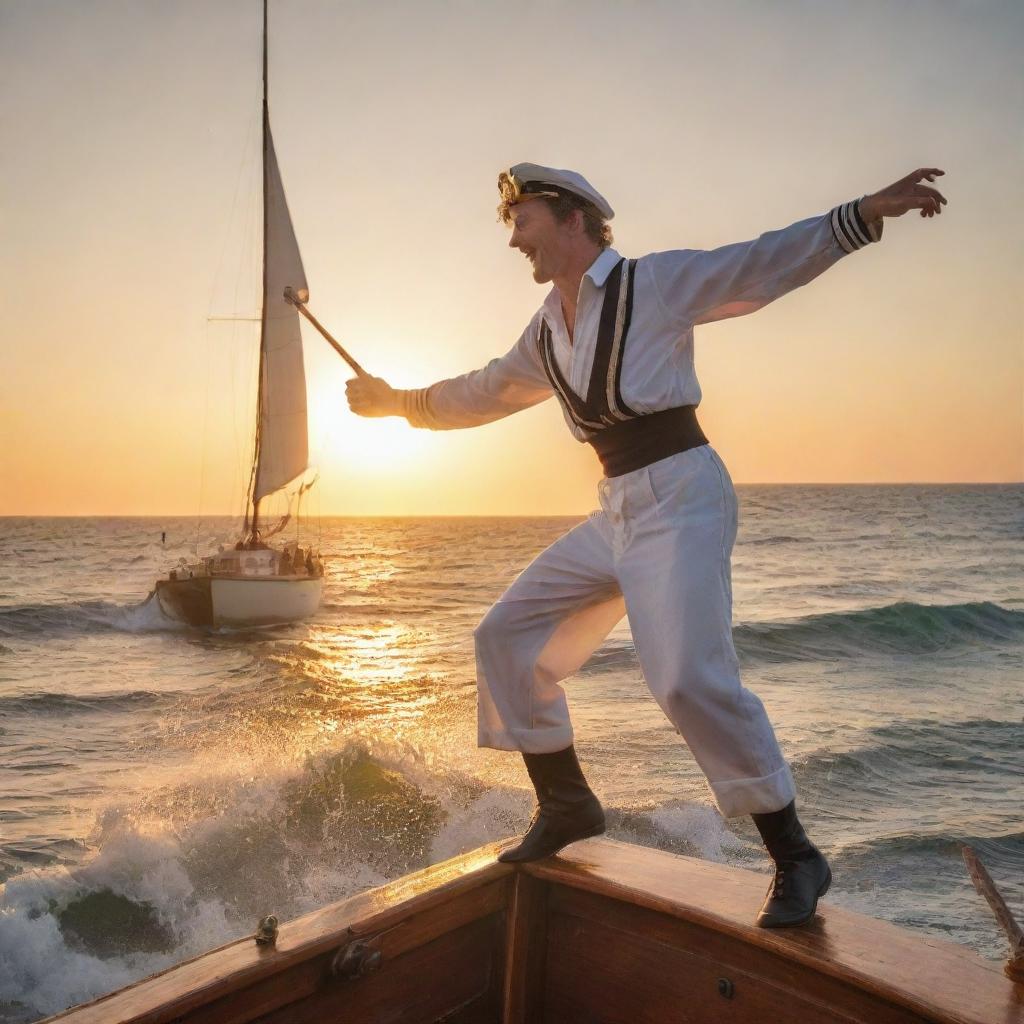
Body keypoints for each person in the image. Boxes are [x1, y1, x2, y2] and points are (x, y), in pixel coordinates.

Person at [346, 162, 946, 927]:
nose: (513, 239)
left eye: (521, 219)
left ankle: (797, 856)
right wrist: (397, 404)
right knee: (506, 635)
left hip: (683, 494)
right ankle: (567, 805)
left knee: (686, 680)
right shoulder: (546, 330)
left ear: (573, 220)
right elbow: (488, 390)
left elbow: (759, 264)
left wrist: (863, 214)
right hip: (621, 506)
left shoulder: (653, 284)